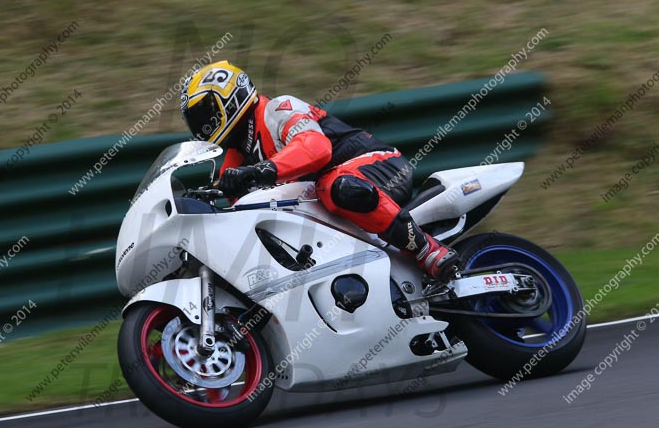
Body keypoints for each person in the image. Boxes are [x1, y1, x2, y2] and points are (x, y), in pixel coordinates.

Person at [180, 60, 458, 281]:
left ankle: (428, 251)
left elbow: (315, 147)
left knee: (335, 186)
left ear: (231, 97)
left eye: (207, 112)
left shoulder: (277, 109)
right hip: (331, 204)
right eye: (197, 120)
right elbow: (235, 208)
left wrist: (263, 170)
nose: (204, 124)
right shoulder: (236, 156)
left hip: (379, 166)